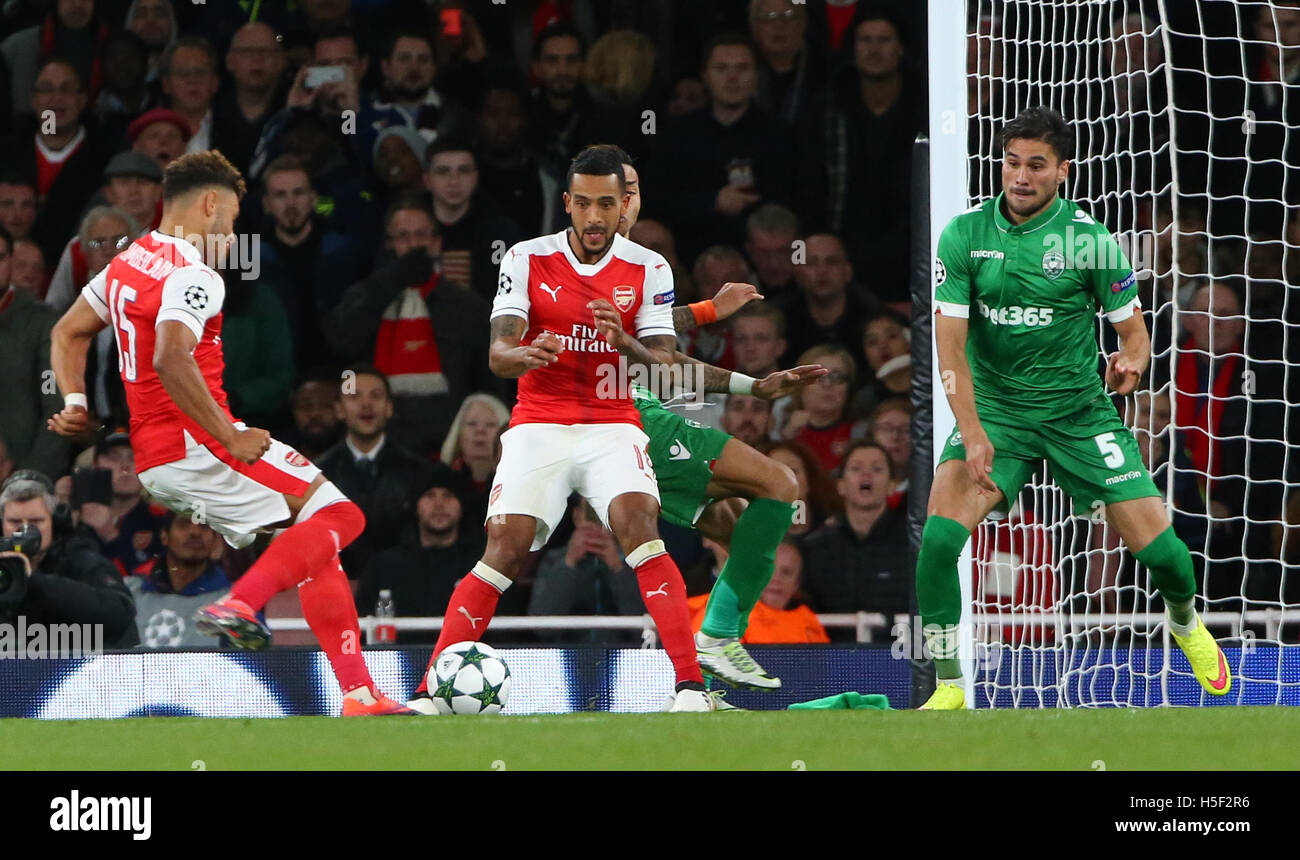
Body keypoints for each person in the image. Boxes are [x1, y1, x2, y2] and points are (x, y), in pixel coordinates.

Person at [47, 150, 414, 715]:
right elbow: (173, 358)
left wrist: (75, 401)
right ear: (211, 204)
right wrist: (229, 435)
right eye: (234, 220)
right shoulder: (192, 273)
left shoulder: (128, 262)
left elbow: (68, 331)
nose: (232, 234)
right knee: (344, 517)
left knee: (318, 546)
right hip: (201, 441)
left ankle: (358, 693)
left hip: (156, 458)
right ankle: (240, 603)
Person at [919, 106, 1230, 709]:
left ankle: (1186, 621)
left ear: (1063, 171)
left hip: (1079, 414)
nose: (1020, 177)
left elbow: (1134, 334)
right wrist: (973, 430)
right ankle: (950, 684)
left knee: (1164, 556)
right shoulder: (963, 236)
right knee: (936, 543)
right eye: (1012, 162)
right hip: (999, 416)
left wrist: (1132, 361)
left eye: (1036, 165)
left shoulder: (1090, 242)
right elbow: (949, 347)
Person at [406, 146, 715, 712]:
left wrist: (624, 342)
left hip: (612, 421)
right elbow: (498, 352)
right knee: (505, 544)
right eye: (584, 204)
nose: (595, 218)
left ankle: (691, 686)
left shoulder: (649, 267)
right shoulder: (526, 258)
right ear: (567, 203)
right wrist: (524, 352)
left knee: (639, 526)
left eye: (607, 204)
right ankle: (430, 688)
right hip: (539, 421)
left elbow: (668, 366)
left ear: (624, 204)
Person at [0, 470, 139, 650]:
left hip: (74, 672)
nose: (24, 531)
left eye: (35, 521)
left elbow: (120, 613)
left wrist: (32, 580)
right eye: (15, 522)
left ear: (55, 522)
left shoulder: (81, 558)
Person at [316, 367, 433, 579]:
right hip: (337, 584)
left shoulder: (418, 470)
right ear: (339, 410)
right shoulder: (319, 473)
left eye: (376, 396)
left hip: (402, 581)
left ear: (389, 407)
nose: (366, 404)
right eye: (354, 396)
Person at [354, 464, 486, 645]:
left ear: (461, 506)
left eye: (448, 496)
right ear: (416, 506)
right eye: (430, 496)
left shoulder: (482, 567)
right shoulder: (384, 567)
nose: (439, 504)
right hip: (397, 667)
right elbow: (359, 631)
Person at [801, 441, 910, 630]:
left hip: (896, 653)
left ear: (892, 485)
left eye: (876, 469)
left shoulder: (912, 544)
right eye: (856, 468)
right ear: (840, 485)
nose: (866, 474)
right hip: (831, 654)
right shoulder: (815, 547)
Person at [0, 226, 73, 479]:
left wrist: (30, 477)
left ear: (10, 261)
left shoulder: (42, 324)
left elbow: (54, 404)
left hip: (24, 471)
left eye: (0, 257)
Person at [528, 498, 645, 643]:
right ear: (577, 516)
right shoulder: (554, 560)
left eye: (604, 516)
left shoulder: (634, 562)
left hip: (623, 656)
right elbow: (541, 627)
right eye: (592, 514)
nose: (597, 525)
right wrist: (569, 563)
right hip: (567, 655)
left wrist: (618, 569)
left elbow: (645, 629)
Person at [688, 539, 829, 644]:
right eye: (767, 570)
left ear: (796, 585)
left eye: (786, 572)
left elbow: (824, 677)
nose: (775, 579)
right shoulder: (722, 615)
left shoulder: (809, 624)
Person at [128, 511, 235, 648]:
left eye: (204, 526)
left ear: (214, 540)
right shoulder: (128, 591)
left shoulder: (232, 602)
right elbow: (93, 651)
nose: (195, 532)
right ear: (164, 536)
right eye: (184, 524)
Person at [74, 429, 167, 577]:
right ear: (95, 466)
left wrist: (109, 534)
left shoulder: (162, 522)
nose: (125, 467)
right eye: (114, 457)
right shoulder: (74, 515)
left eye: (134, 457)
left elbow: (151, 584)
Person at [780, 343, 856, 469]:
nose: (828, 384)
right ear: (800, 385)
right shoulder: (784, 435)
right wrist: (786, 439)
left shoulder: (860, 433)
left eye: (837, 377)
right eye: (818, 377)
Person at [439, 393, 510, 527]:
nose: (480, 431)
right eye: (471, 424)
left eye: (490, 425)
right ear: (458, 434)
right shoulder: (437, 479)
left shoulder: (516, 486)